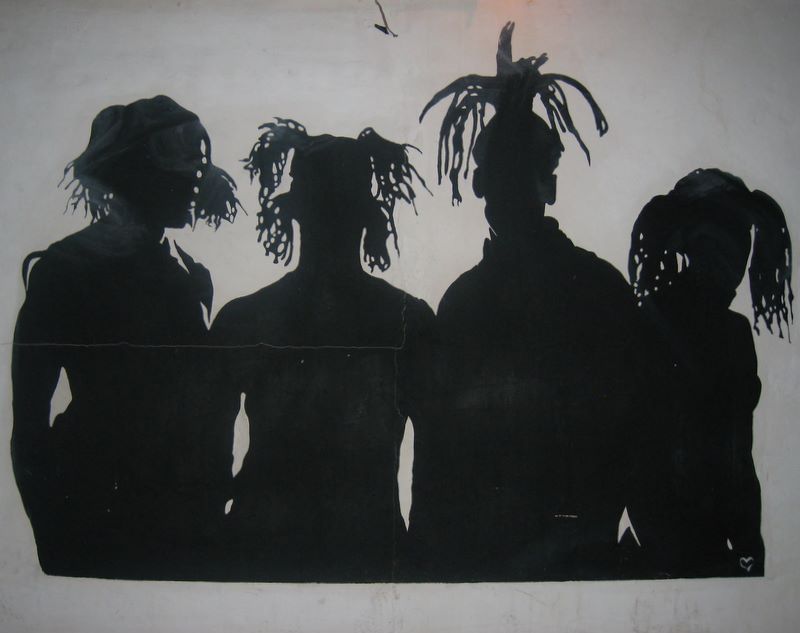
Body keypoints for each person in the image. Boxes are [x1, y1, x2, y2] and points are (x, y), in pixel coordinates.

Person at [409, 22, 646, 581]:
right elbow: (440, 454)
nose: (503, 187)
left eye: (518, 172)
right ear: (480, 183)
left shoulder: (593, 289)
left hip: (565, 558)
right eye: (497, 172)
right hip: (506, 560)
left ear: (548, 185)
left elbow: (634, 435)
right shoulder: (470, 300)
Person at [11, 95, 240, 579]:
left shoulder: (193, 275)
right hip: (94, 511)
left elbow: (209, 410)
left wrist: (211, 502)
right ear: (133, 173)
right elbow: (28, 424)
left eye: (196, 166)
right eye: (177, 166)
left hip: (179, 517)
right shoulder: (63, 269)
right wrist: (51, 532)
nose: (194, 179)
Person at [208, 119, 435, 582]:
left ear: (295, 211)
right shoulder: (408, 320)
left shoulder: (245, 318)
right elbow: (435, 464)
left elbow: (206, 461)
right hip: (363, 552)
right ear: (368, 216)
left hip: (266, 553)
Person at [626, 168, 792, 578]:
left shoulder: (653, 321)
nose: (738, 267)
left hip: (676, 544)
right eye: (728, 250)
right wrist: (748, 547)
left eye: (740, 251)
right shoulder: (720, 334)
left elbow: (736, 458)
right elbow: (733, 459)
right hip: (682, 547)